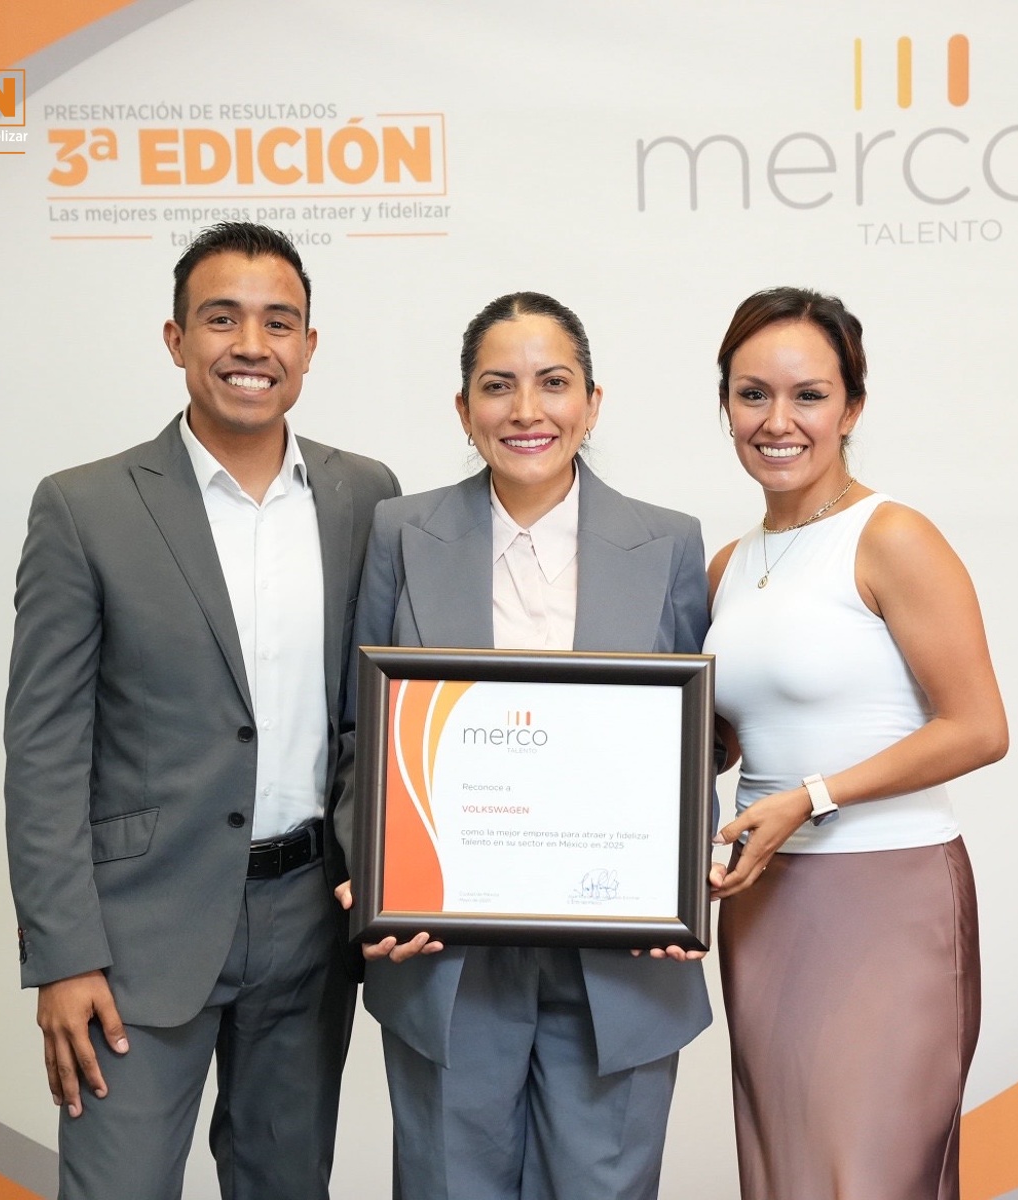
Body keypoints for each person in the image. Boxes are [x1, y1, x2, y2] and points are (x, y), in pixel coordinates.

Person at [3, 222, 399, 1200]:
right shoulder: (85, 507)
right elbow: (45, 748)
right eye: (222, 319)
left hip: (309, 921)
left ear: (310, 345)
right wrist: (63, 957)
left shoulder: (366, 497)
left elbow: (379, 714)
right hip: (136, 934)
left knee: (285, 1184)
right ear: (176, 338)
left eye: (279, 323)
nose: (251, 346)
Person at [339, 292, 712, 1200]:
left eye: (553, 382)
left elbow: (689, 745)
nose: (526, 410)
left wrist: (682, 881)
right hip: (446, 954)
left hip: (620, 961)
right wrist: (372, 867)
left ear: (593, 401)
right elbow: (363, 732)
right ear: (464, 409)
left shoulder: (669, 543)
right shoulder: (400, 533)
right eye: (497, 386)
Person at [703, 287, 1008, 1200]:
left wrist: (812, 796)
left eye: (809, 395)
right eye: (753, 394)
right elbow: (719, 738)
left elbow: (979, 727)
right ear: (726, 406)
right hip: (763, 903)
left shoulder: (893, 538)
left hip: (888, 895)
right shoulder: (728, 565)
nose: (778, 421)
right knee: (788, 1175)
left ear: (852, 407)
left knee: (870, 1177)